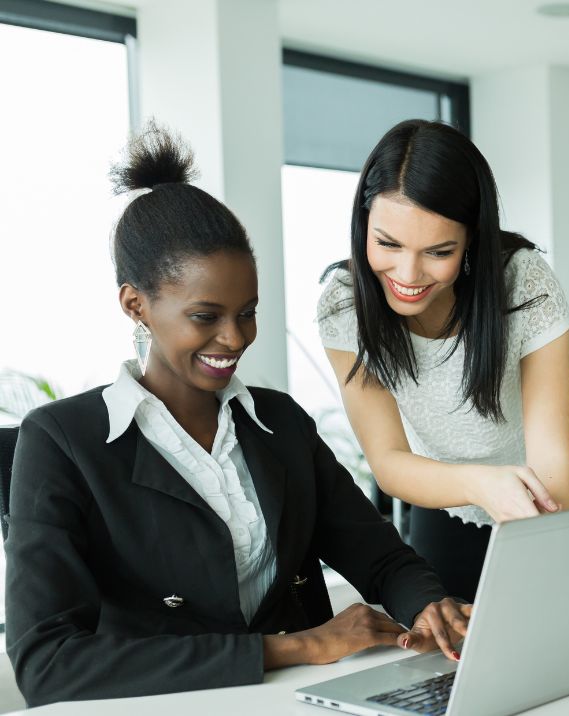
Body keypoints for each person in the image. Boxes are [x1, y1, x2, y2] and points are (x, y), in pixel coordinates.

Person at [3, 125, 470, 707]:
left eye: (247, 312)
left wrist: (429, 605)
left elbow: (380, 556)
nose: (234, 337)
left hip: (300, 701)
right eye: (206, 315)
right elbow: (48, 663)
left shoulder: (279, 423)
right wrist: (299, 647)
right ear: (135, 304)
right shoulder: (61, 440)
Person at [317, 119, 569, 601]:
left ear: (471, 241)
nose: (407, 275)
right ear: (363, 224)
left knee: (557, 630)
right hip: (445, 495)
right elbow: (388, 462)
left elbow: (552, 461)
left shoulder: (523, 285)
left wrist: (552, 563)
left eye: (439, 251)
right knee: (449, 652)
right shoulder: (345, 306)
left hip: (555, 493)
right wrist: (479, 485)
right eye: (387, 244)